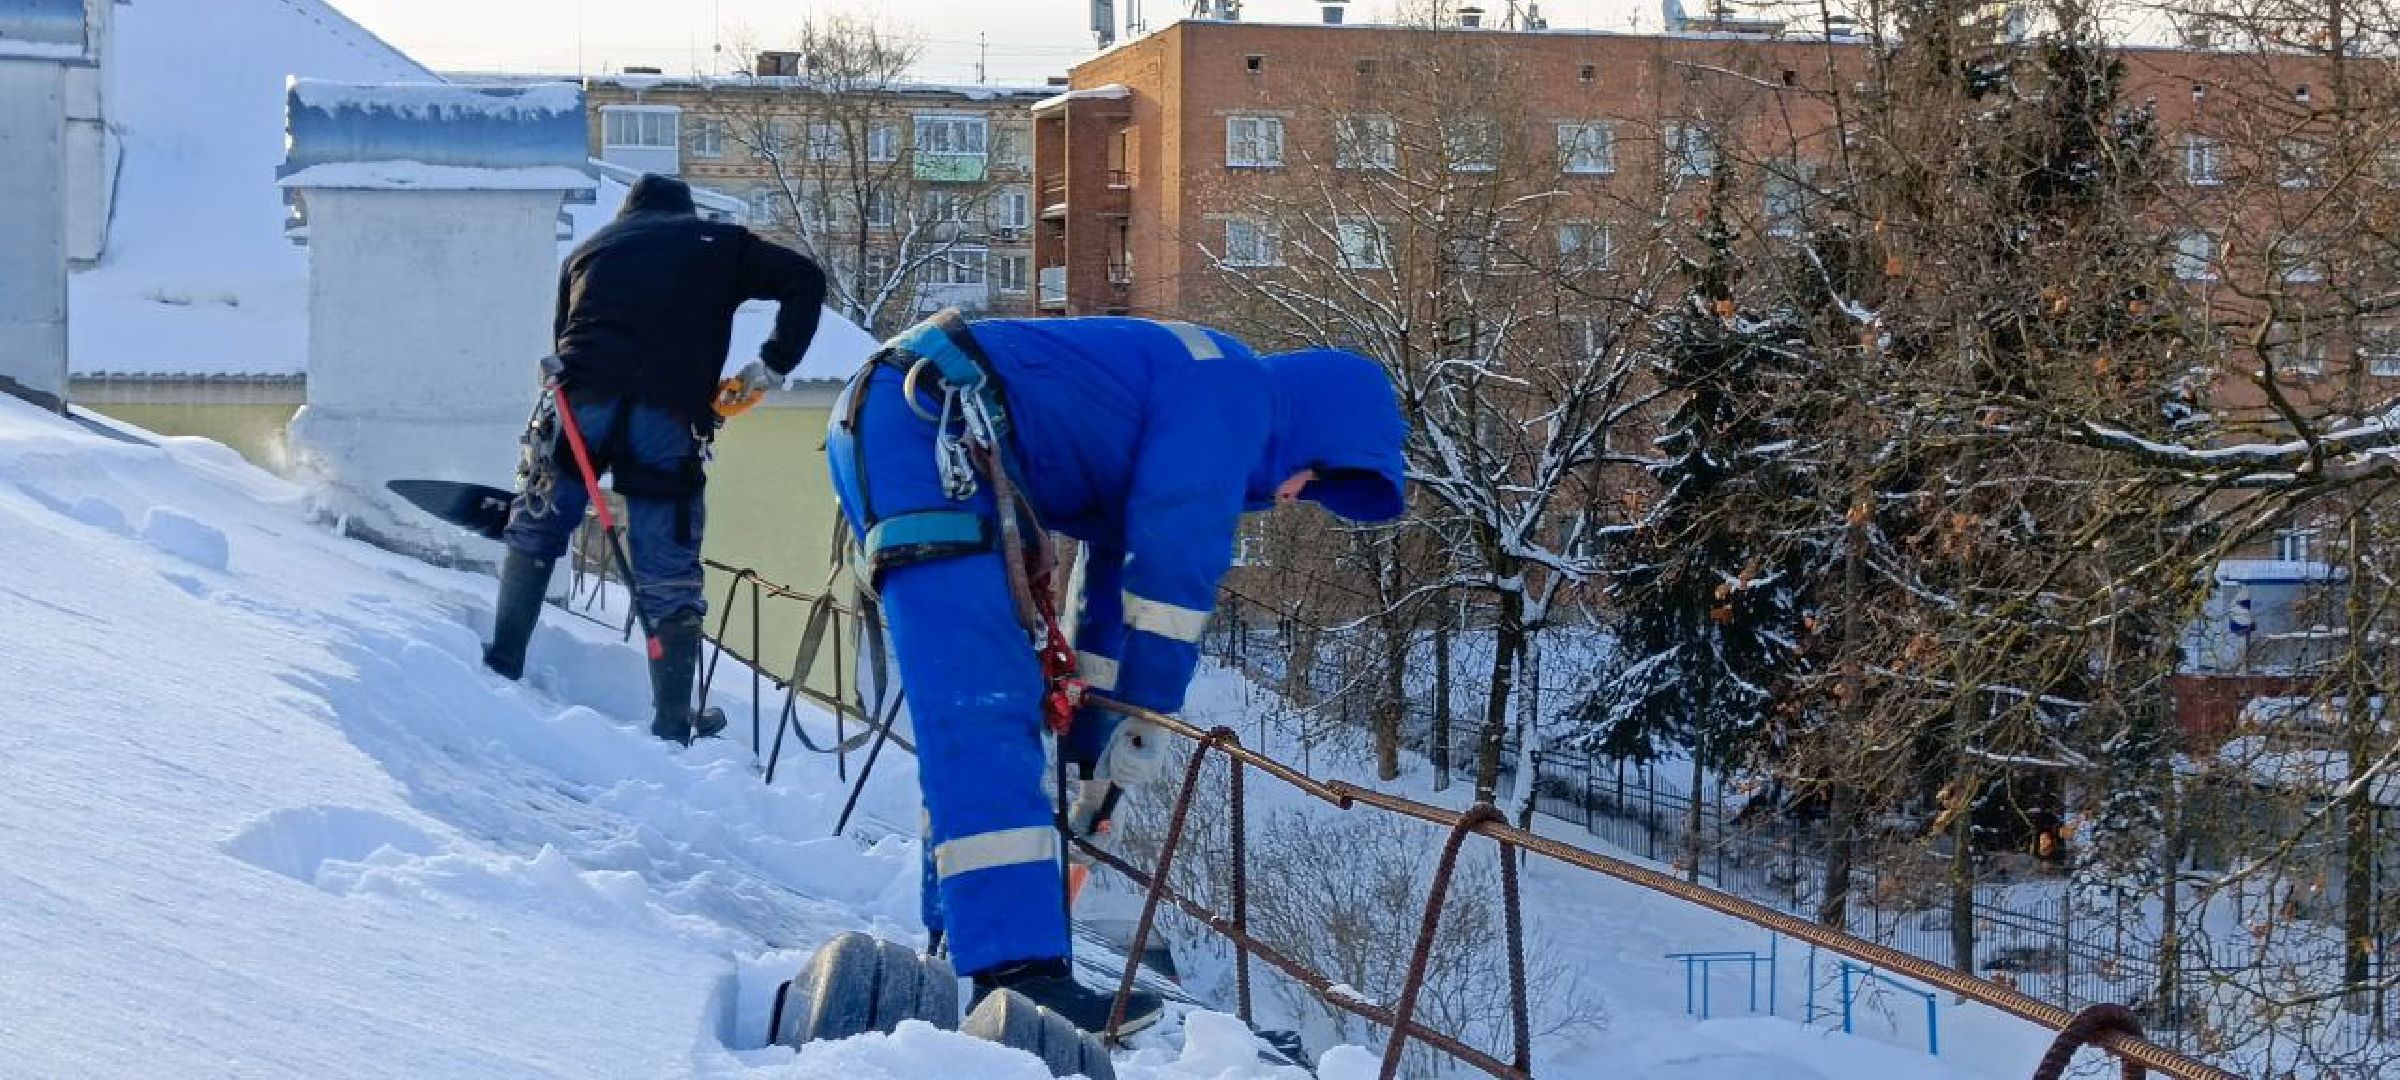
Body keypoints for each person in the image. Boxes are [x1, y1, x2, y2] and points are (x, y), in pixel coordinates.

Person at [826, 312, 1408, 1034]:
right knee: (983, 704)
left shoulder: (1195, 390)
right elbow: (1171, 571)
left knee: (989, 704)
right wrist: (1147, 714)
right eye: (1314, 474)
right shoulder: (1230, 386)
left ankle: (961, 941)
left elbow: (1110, 587)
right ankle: (1020, 975)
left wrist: (1096, 730)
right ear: (1318, 423)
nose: (1296, 494)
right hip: (930, 431)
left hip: (915, 426)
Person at [482, 175, 827, 744]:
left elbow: (562, 335)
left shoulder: (588, 252)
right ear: (684, 214)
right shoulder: (718, 244)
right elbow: (805, 279)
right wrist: (770, 364)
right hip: (665, 416)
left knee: (539, 526)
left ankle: (502, 662)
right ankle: (673, 722)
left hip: (581, 402)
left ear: (628, 215)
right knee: (665, 566)